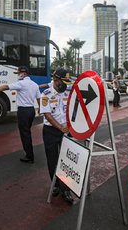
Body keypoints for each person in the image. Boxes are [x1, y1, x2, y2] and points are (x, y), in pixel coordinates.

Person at [0, 66, 40, 164]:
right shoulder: (35, 85)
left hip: (23, 111)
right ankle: (29, 154)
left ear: (24, 73)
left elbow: (5, 87)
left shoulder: (21, 84)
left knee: (25, 134)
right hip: (31, 111)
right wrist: (40, 109)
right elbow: (39, 98)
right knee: (27, 132)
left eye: (19, 73)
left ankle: (29, 156)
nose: (18, 75)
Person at [40, 68, 74, 203]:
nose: (65, 85)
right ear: (55, 80)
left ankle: (66, 189)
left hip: (66, 130)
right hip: (51, 131)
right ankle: (55, 185)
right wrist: (60, 127)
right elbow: (47, 114)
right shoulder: (46, 94)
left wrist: (68, 126)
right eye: (63, 82)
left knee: (67, 161)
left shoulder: (68, 92)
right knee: (53, 160)